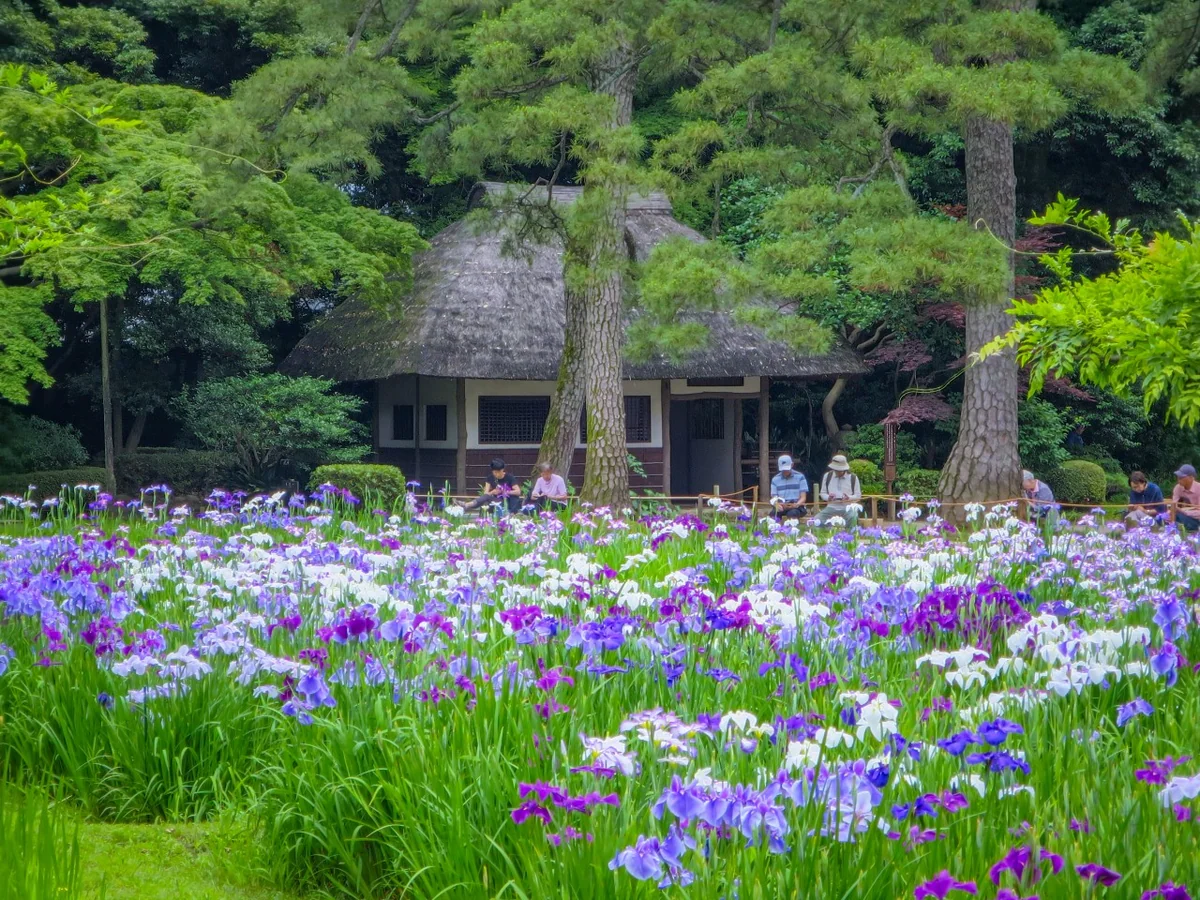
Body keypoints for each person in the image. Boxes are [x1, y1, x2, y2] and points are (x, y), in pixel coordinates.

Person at [815, 454, 860, 527]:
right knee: (817, 520)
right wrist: (828, 497)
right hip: (831, 507)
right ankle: (826, 534)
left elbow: (858, 496)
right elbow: (823, 493)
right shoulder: (827, 476)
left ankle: (849, 534)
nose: (839, 472)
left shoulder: (853, 478)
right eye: (836, 470)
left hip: (847, 508)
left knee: (853, 517)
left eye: (840, 470)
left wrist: (849, 498)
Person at [769, 454, 808, 519]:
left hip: (796, 506)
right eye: (783, 469)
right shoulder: (775, 479)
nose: (785, 471)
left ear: (792, 465)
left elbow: (803, 497)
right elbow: (774, 497)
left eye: (787, 469)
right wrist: (777, 504)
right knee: (773, 514)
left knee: (792, 514)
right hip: (782, 505)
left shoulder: (800, 477)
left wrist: (796, 504)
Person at [1171, 463, 1200, 533]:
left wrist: (1184, 512)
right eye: (1178, 477)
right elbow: (1174, 505)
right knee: (1164, 516)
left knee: (1179, 517)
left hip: (1195, 519)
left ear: (1191, 478)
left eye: (1181, 477)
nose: (1178, 479)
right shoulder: (1177, 488)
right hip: (1180, 516)